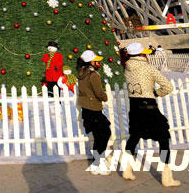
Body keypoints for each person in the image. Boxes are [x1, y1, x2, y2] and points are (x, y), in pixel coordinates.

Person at [121, 42, 180, 187]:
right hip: (149, 108)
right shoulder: (148, 68)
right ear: (142, 54)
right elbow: (168, 87)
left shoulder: (126, 68)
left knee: (134, 136)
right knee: (163, 138)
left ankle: (127, 170)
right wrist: (155, 93)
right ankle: (167, 177)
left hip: (134, 108)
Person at [76, 50, 111, 175]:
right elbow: (98, 92)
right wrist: (105, 97)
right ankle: (99, 163)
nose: (98, 63)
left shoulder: (81, 73)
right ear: (91, 61)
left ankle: (97, 164)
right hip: (94, 108)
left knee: (98, 135)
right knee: (105, 133)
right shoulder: (93, 75)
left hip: (86, 109)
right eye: (96, 60)